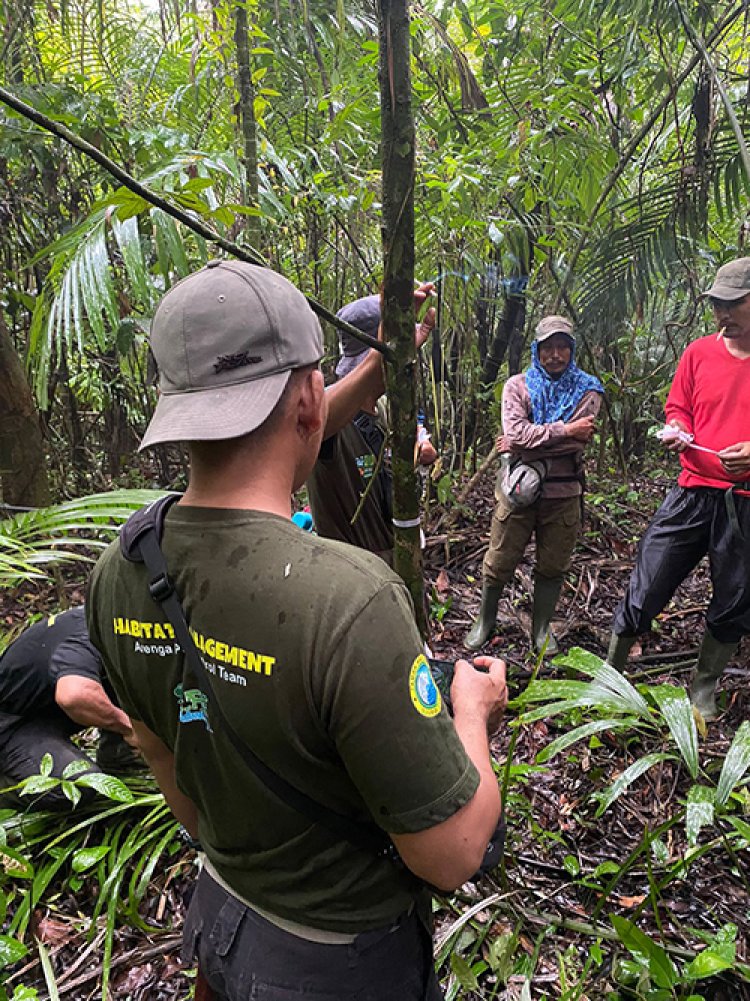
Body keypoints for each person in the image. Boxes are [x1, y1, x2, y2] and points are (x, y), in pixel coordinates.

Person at [86, 260, 508, 1001]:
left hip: (219, 922)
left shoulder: (121, 567)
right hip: (336, 963)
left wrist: (379, 362)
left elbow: (166, 763)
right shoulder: (351, 599)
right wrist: (472, 713)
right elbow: (453, 853)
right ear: (310, 397)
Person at [607, 257, 750, 720]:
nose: (722, 315)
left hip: (744, 503)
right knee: (649, 578)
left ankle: (703, 688)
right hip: (692, 490)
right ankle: (610, 674)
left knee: (734, 593)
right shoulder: (698, 353)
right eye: (717, 305)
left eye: (732, 305)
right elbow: (679, 405)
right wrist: (676, 426)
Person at [465, 315, 603, 654]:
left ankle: (541, 629)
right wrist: (564, 430)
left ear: (572, 349)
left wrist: (530, 441)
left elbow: (575, 442)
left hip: (564, 491)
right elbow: (516, 433)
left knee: (553, 563)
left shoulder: (588, 388)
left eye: (562, 347)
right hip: (518, 489)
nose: (555, 355)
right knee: (499, 558)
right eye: (548, 348)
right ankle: (485, 621)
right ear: (536, 350)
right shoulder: (518, 386)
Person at [306, 292, 437, 564]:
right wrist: (377, 360)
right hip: (352, 573)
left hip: (395, 563)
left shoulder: (387, 407)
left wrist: (419, 452)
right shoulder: (331, 417)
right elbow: (312, 421)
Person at [0, 607, 138, 810]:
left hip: (42, 710)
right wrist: (129, 728)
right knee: (79, 784)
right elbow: (74, 696)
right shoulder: (86, 635)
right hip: (12, 728)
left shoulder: (111, 619)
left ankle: (121, 761)